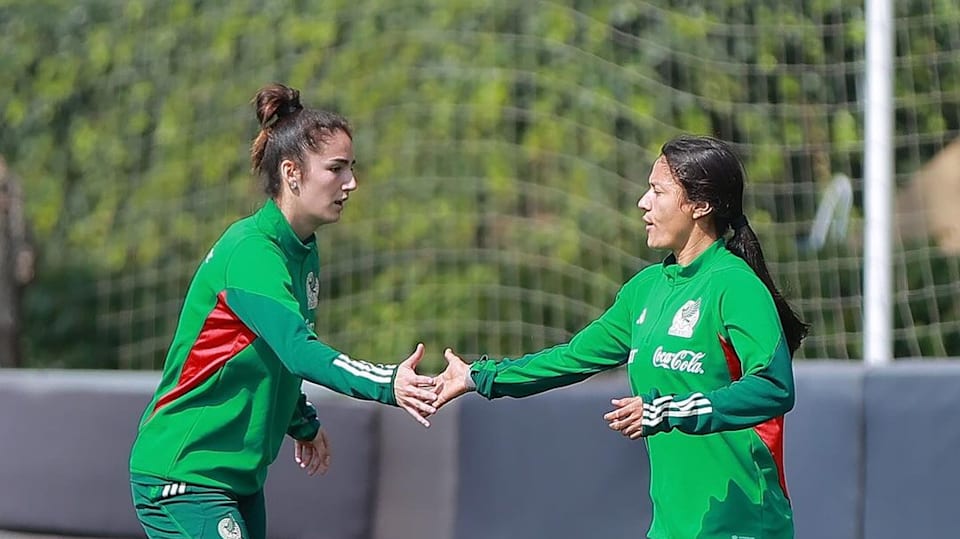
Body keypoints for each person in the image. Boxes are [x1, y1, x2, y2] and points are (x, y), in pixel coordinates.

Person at [434, 135, 808, 539]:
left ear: (701, 205)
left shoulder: (735, 286)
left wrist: (669, 410)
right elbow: (570, 358)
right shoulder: (645, 290)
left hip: (744, 526)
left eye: (658, 191)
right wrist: (478, 376)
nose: (642, 202)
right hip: (672, 529)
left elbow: (774, 387)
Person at [129, 83, 439, 539]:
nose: (351, 183)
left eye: (352, 168)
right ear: (292, 173)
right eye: (336, 169)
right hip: (185, 475)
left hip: (236, 482)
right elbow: (297, 350)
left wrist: (301, 422)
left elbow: (270, 353)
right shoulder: (252, 252)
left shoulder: (301, 250)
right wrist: (389, 381)